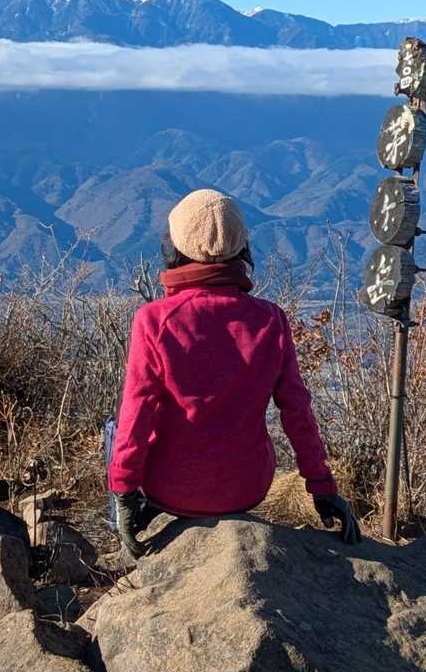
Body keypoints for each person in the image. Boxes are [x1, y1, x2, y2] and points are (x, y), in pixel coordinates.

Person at [108, 188, 361, 557]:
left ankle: (139, 514)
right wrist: (322, 488)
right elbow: (297, 412)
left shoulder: (155, 320)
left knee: (115, 432)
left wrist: (124, 492)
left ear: (176, 247)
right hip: (247, 487)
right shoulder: (271, 320)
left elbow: (137, 414)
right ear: (241, 248)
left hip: (170, 488)